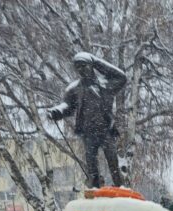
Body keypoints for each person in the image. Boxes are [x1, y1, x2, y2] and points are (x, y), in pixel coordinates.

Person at [46, 52, 127, 188]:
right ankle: (95, 188)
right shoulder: (74, 89)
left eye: (84, 66)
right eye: (78, 67)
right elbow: (68, 106)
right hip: (88, 132)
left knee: (112, 161)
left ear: (91, 66)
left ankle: (120, 186)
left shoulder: (107, 84)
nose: (81, 70)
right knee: (91, 163)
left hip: (106, 130)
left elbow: (122, 77)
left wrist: (96, 61)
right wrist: (58, 111)